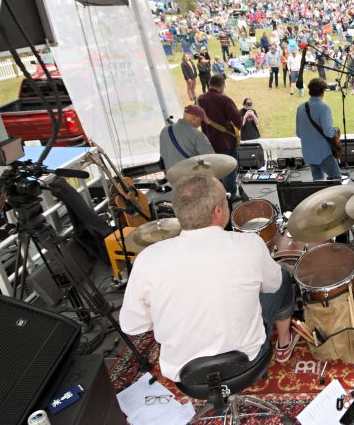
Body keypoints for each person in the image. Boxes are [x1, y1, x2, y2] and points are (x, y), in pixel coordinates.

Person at [119, 174, 299, 382]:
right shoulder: (250, 245)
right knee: (283, 277)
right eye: (226, 198)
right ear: (218, 210)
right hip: (247, 361)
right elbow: (273, 285)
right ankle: (284, 342)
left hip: (184, 373)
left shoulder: (147, 259)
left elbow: (132, 326)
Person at [198, 74, 242, 198]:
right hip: (226, 141)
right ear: (222, 86)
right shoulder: (224, 100)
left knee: (214, 170)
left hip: (207, 142)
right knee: (229, 169)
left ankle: (218, 194)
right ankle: (230, 195)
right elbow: (238, 122)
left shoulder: (199, 100)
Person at [296, 78, 342, 181]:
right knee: (336, 178)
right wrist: (336, 130)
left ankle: (320, 197)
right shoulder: (324, 108)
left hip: (308, 153)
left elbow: (298, 133)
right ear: (322, 92)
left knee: (317, 180)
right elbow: (328, 132)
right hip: (323, 153)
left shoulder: (300, 108)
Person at [159, 105, 215, 171]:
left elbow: (163, 155)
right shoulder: (197, 135)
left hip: (172, 176)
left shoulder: (164, 131)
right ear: (193, 118)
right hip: (191, 177)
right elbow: (211, 159)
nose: (200, 124)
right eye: (201, 120)